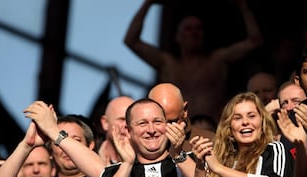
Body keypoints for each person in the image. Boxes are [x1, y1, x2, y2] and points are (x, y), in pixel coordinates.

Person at [124, 0, 263, 121]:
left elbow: (255, 41)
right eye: (188, 29)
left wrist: (243, 5)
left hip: (212, 129)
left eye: (198, 28)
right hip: (176, 131)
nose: (194, 32)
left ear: (205, 35)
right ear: (178, 37)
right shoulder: (168, 63)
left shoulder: (218, 60)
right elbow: (131, 40)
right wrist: (148, 3)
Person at [148, 82, 215, 151]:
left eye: (172, 122)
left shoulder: (208, 142)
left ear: (185, 110)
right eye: (158, 122)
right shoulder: (142, 141)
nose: (166, 129)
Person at [98, 96, 134, 166]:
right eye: (122, 119)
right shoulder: (88, 160)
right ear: (105, 123)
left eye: (130, 120)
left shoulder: (148, 162)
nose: (127, 125)